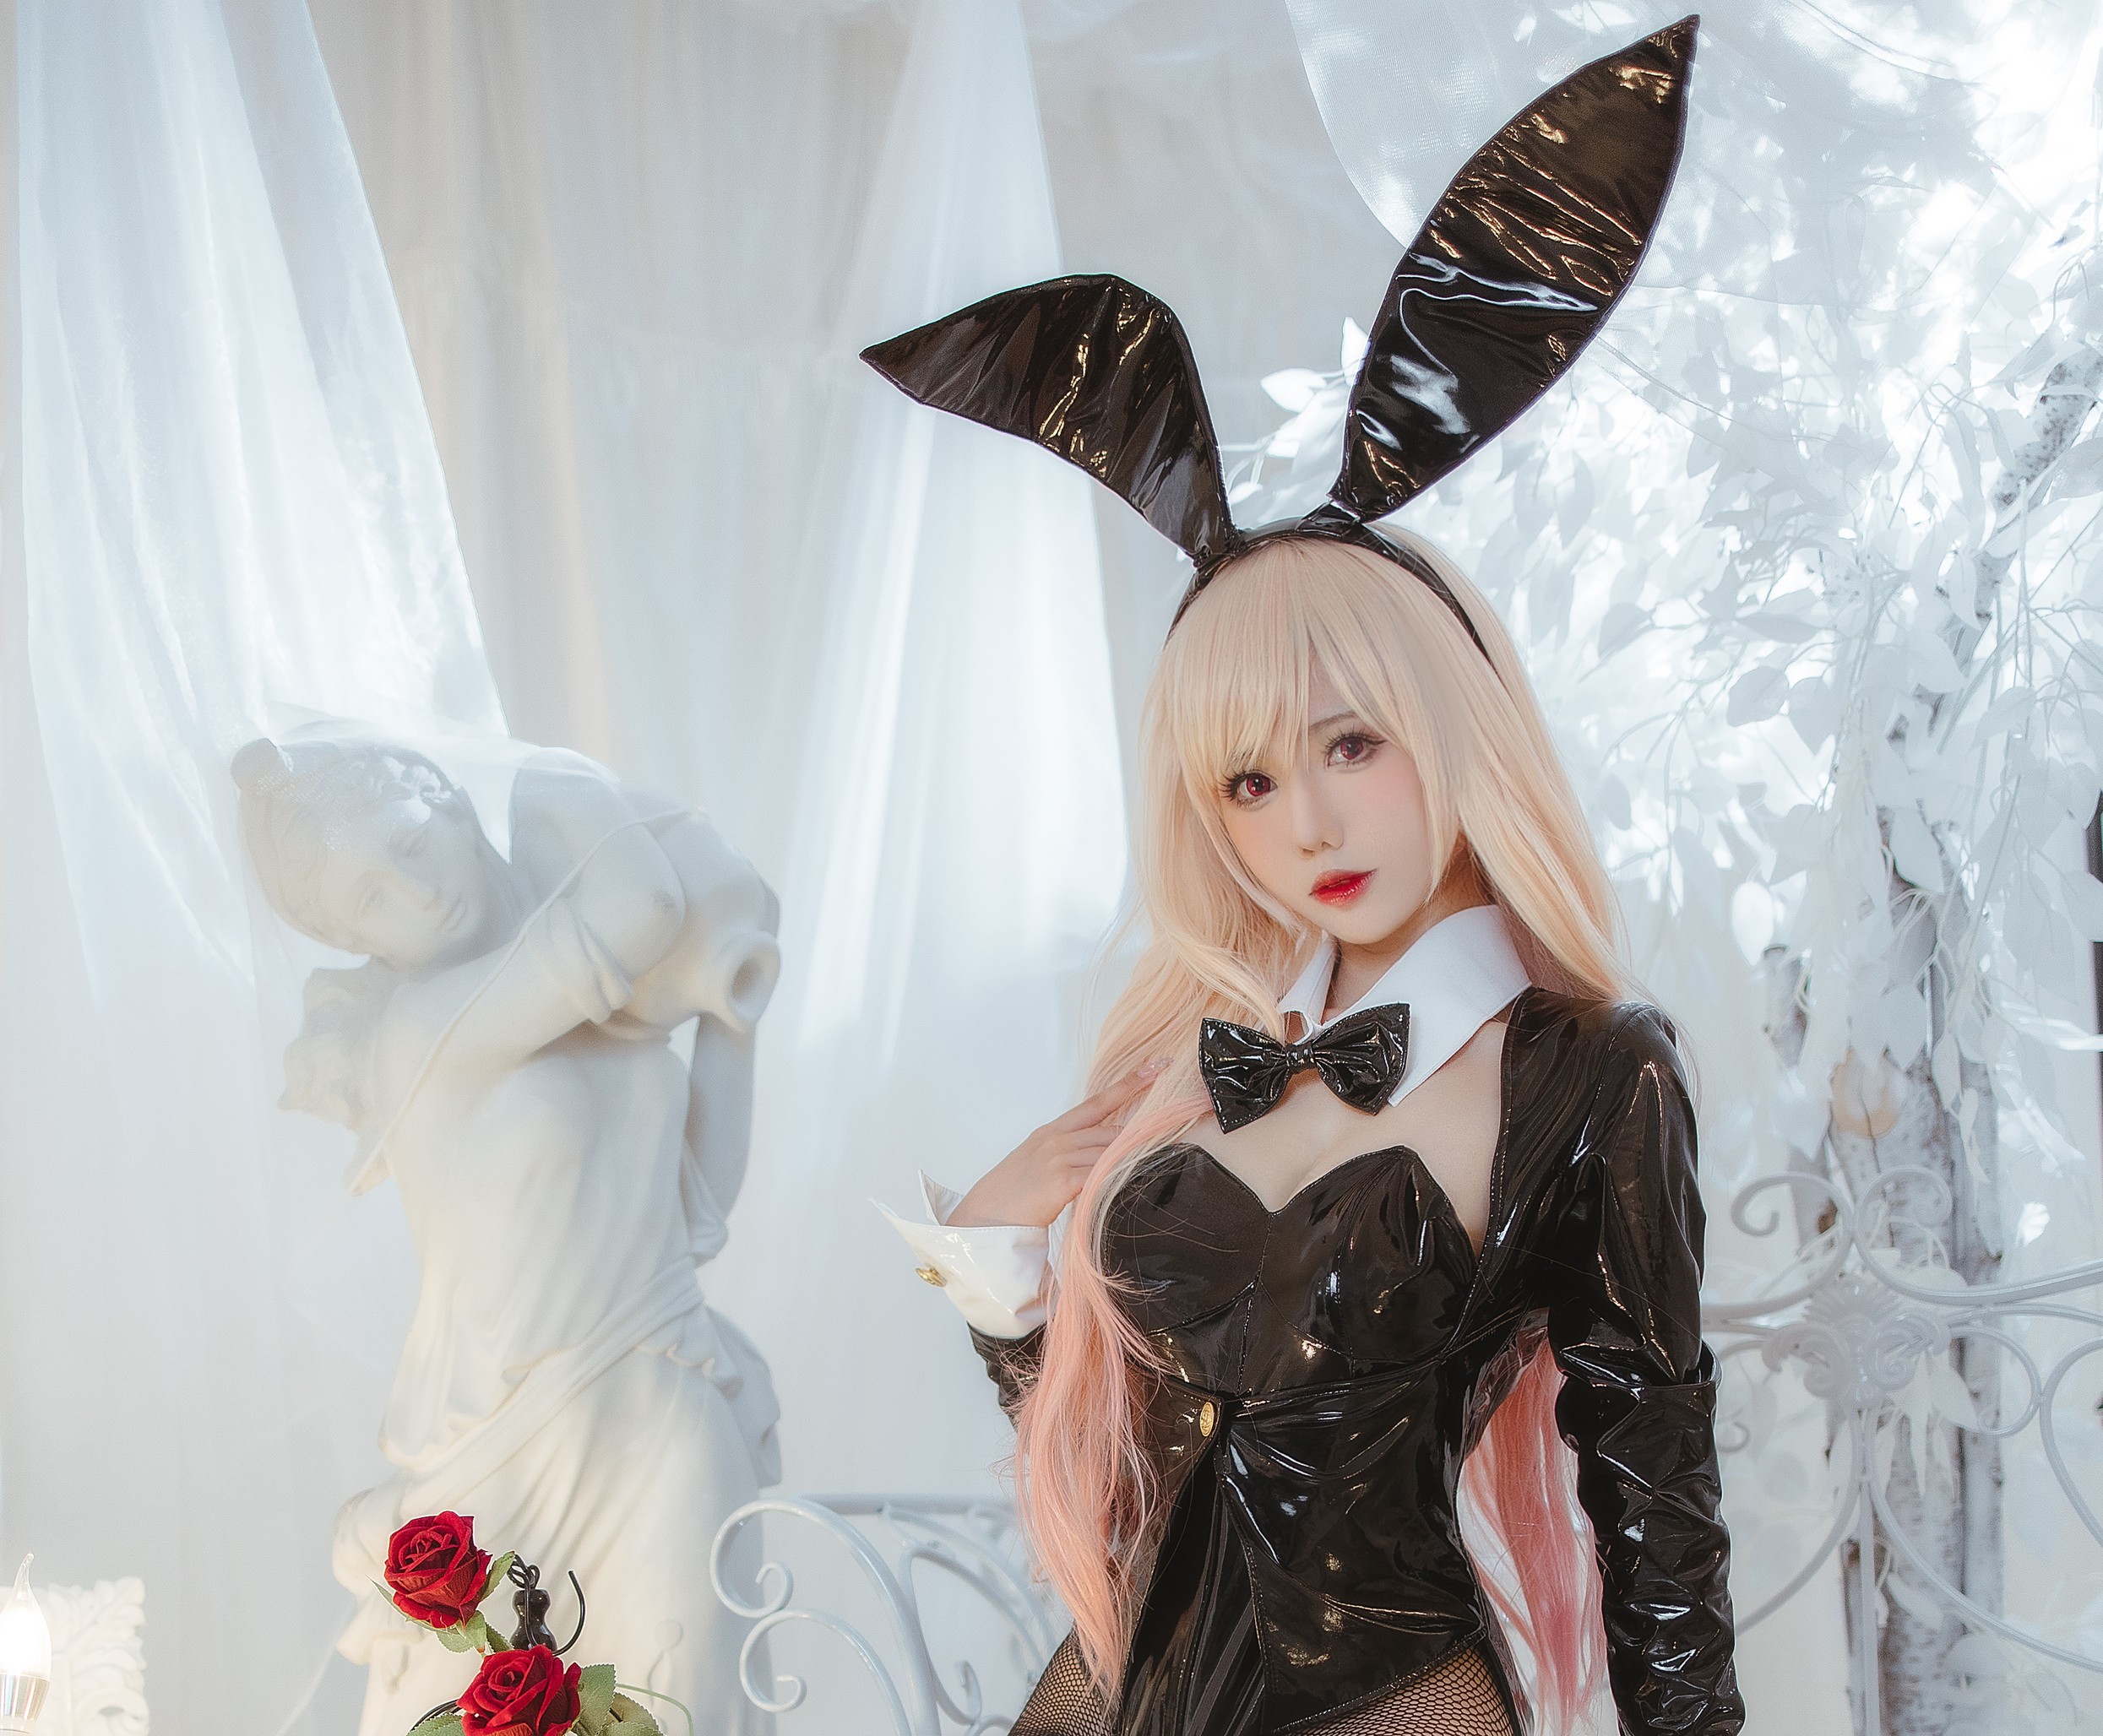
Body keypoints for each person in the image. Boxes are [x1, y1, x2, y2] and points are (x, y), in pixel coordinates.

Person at [872, 19, 1741, 1735]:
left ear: (1452, 725)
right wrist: (1007, 1264)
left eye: (1353, 744)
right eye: (1251, 782)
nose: (1310, 829)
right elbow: (1120, 1462)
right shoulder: (1203, 1048)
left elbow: (1656, 1489)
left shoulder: (1585, 1071)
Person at [233, 734, 781, 1736]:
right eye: (370, 901)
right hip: (505, 1446)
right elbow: (641, 906)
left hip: (665, 1408)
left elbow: (698, 1203)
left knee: (691, 1711)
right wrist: (551, 775)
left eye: (409, 844)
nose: (417, 894)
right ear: (352, 938)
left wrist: (732, 1014)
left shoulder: (607, 1017)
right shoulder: (422, 1030)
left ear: (448, 802)